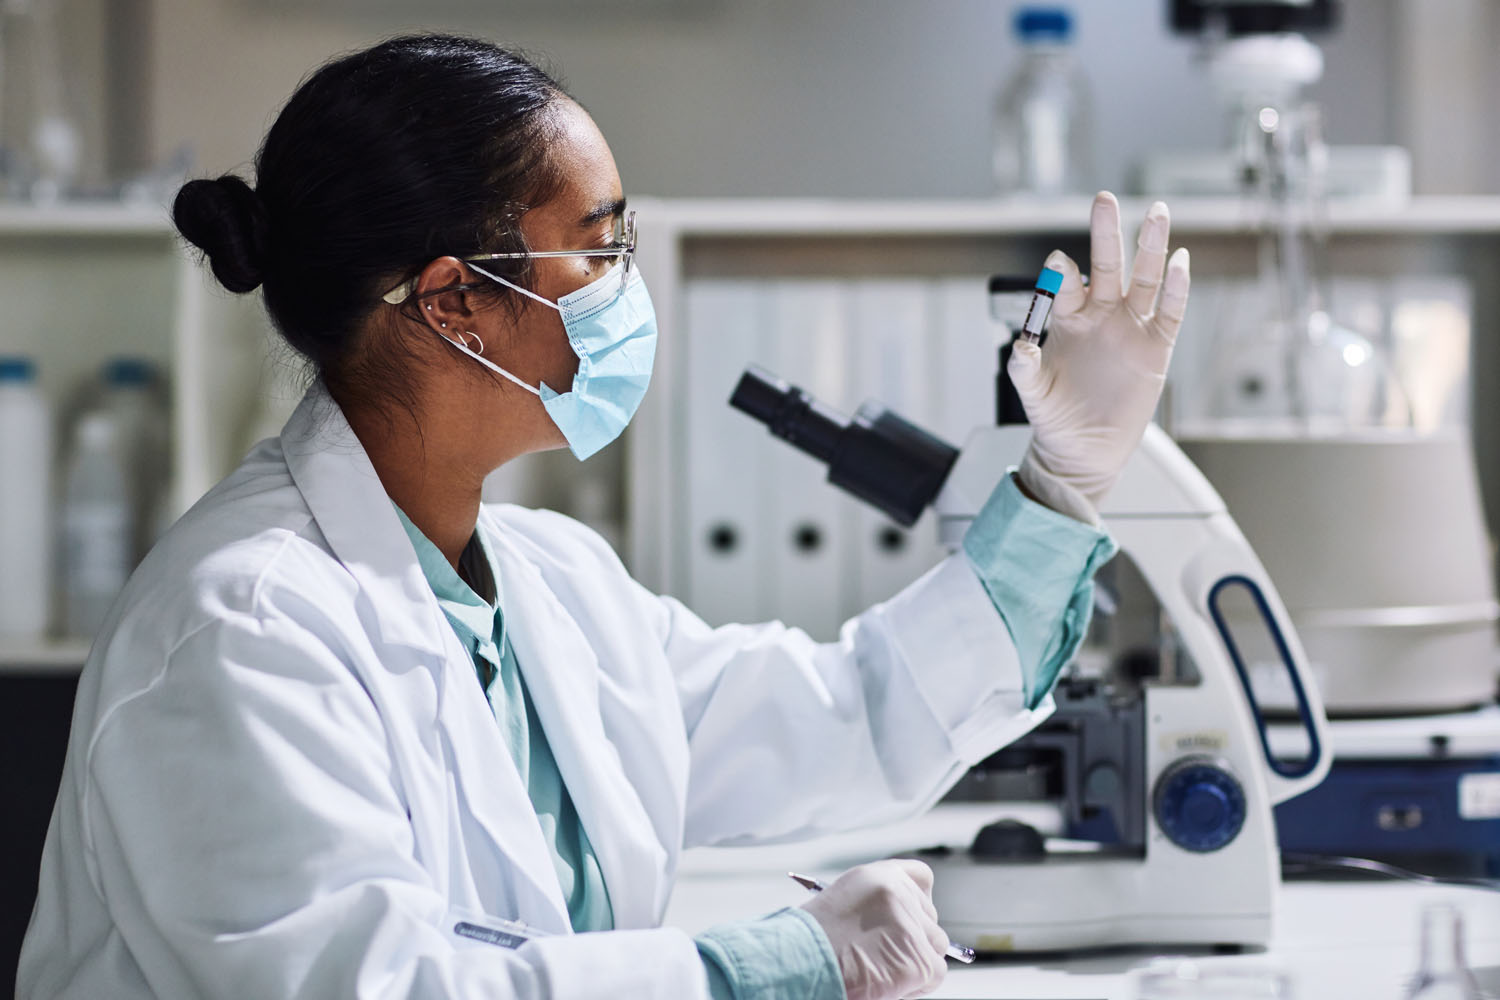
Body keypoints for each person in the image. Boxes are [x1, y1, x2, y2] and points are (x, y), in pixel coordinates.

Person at [18, 34, 1189, 1000]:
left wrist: (1061, 481)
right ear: (455, 301)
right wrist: (778, 964)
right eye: (599, 247)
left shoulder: (546, 582)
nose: (630, 284)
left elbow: (844, 716)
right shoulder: (239, 631)